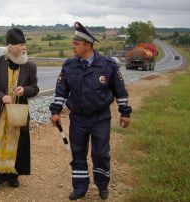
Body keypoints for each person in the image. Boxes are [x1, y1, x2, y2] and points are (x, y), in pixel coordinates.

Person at [49, 22, 132, 200]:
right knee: (78, 153)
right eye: (73, 42)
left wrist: (125, 112)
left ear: (88, 45)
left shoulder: (108, 65)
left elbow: (120, 91)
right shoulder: (69, 66)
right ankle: (80, 188)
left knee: (101, 153)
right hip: (78, 118)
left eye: (76, 43)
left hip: (100, 118)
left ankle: (102, 186)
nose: (73, 46)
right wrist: (55, 111)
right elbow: (60, 92)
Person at [0, 28, 39, 191]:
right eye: (20, 45)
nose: (24, 48)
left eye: (24, 44)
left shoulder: (30, 66)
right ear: (10, 46)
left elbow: (35, 88)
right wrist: (1, 96)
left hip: (17, 114)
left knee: (17, 144)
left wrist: (24, 90)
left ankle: (13, 175)